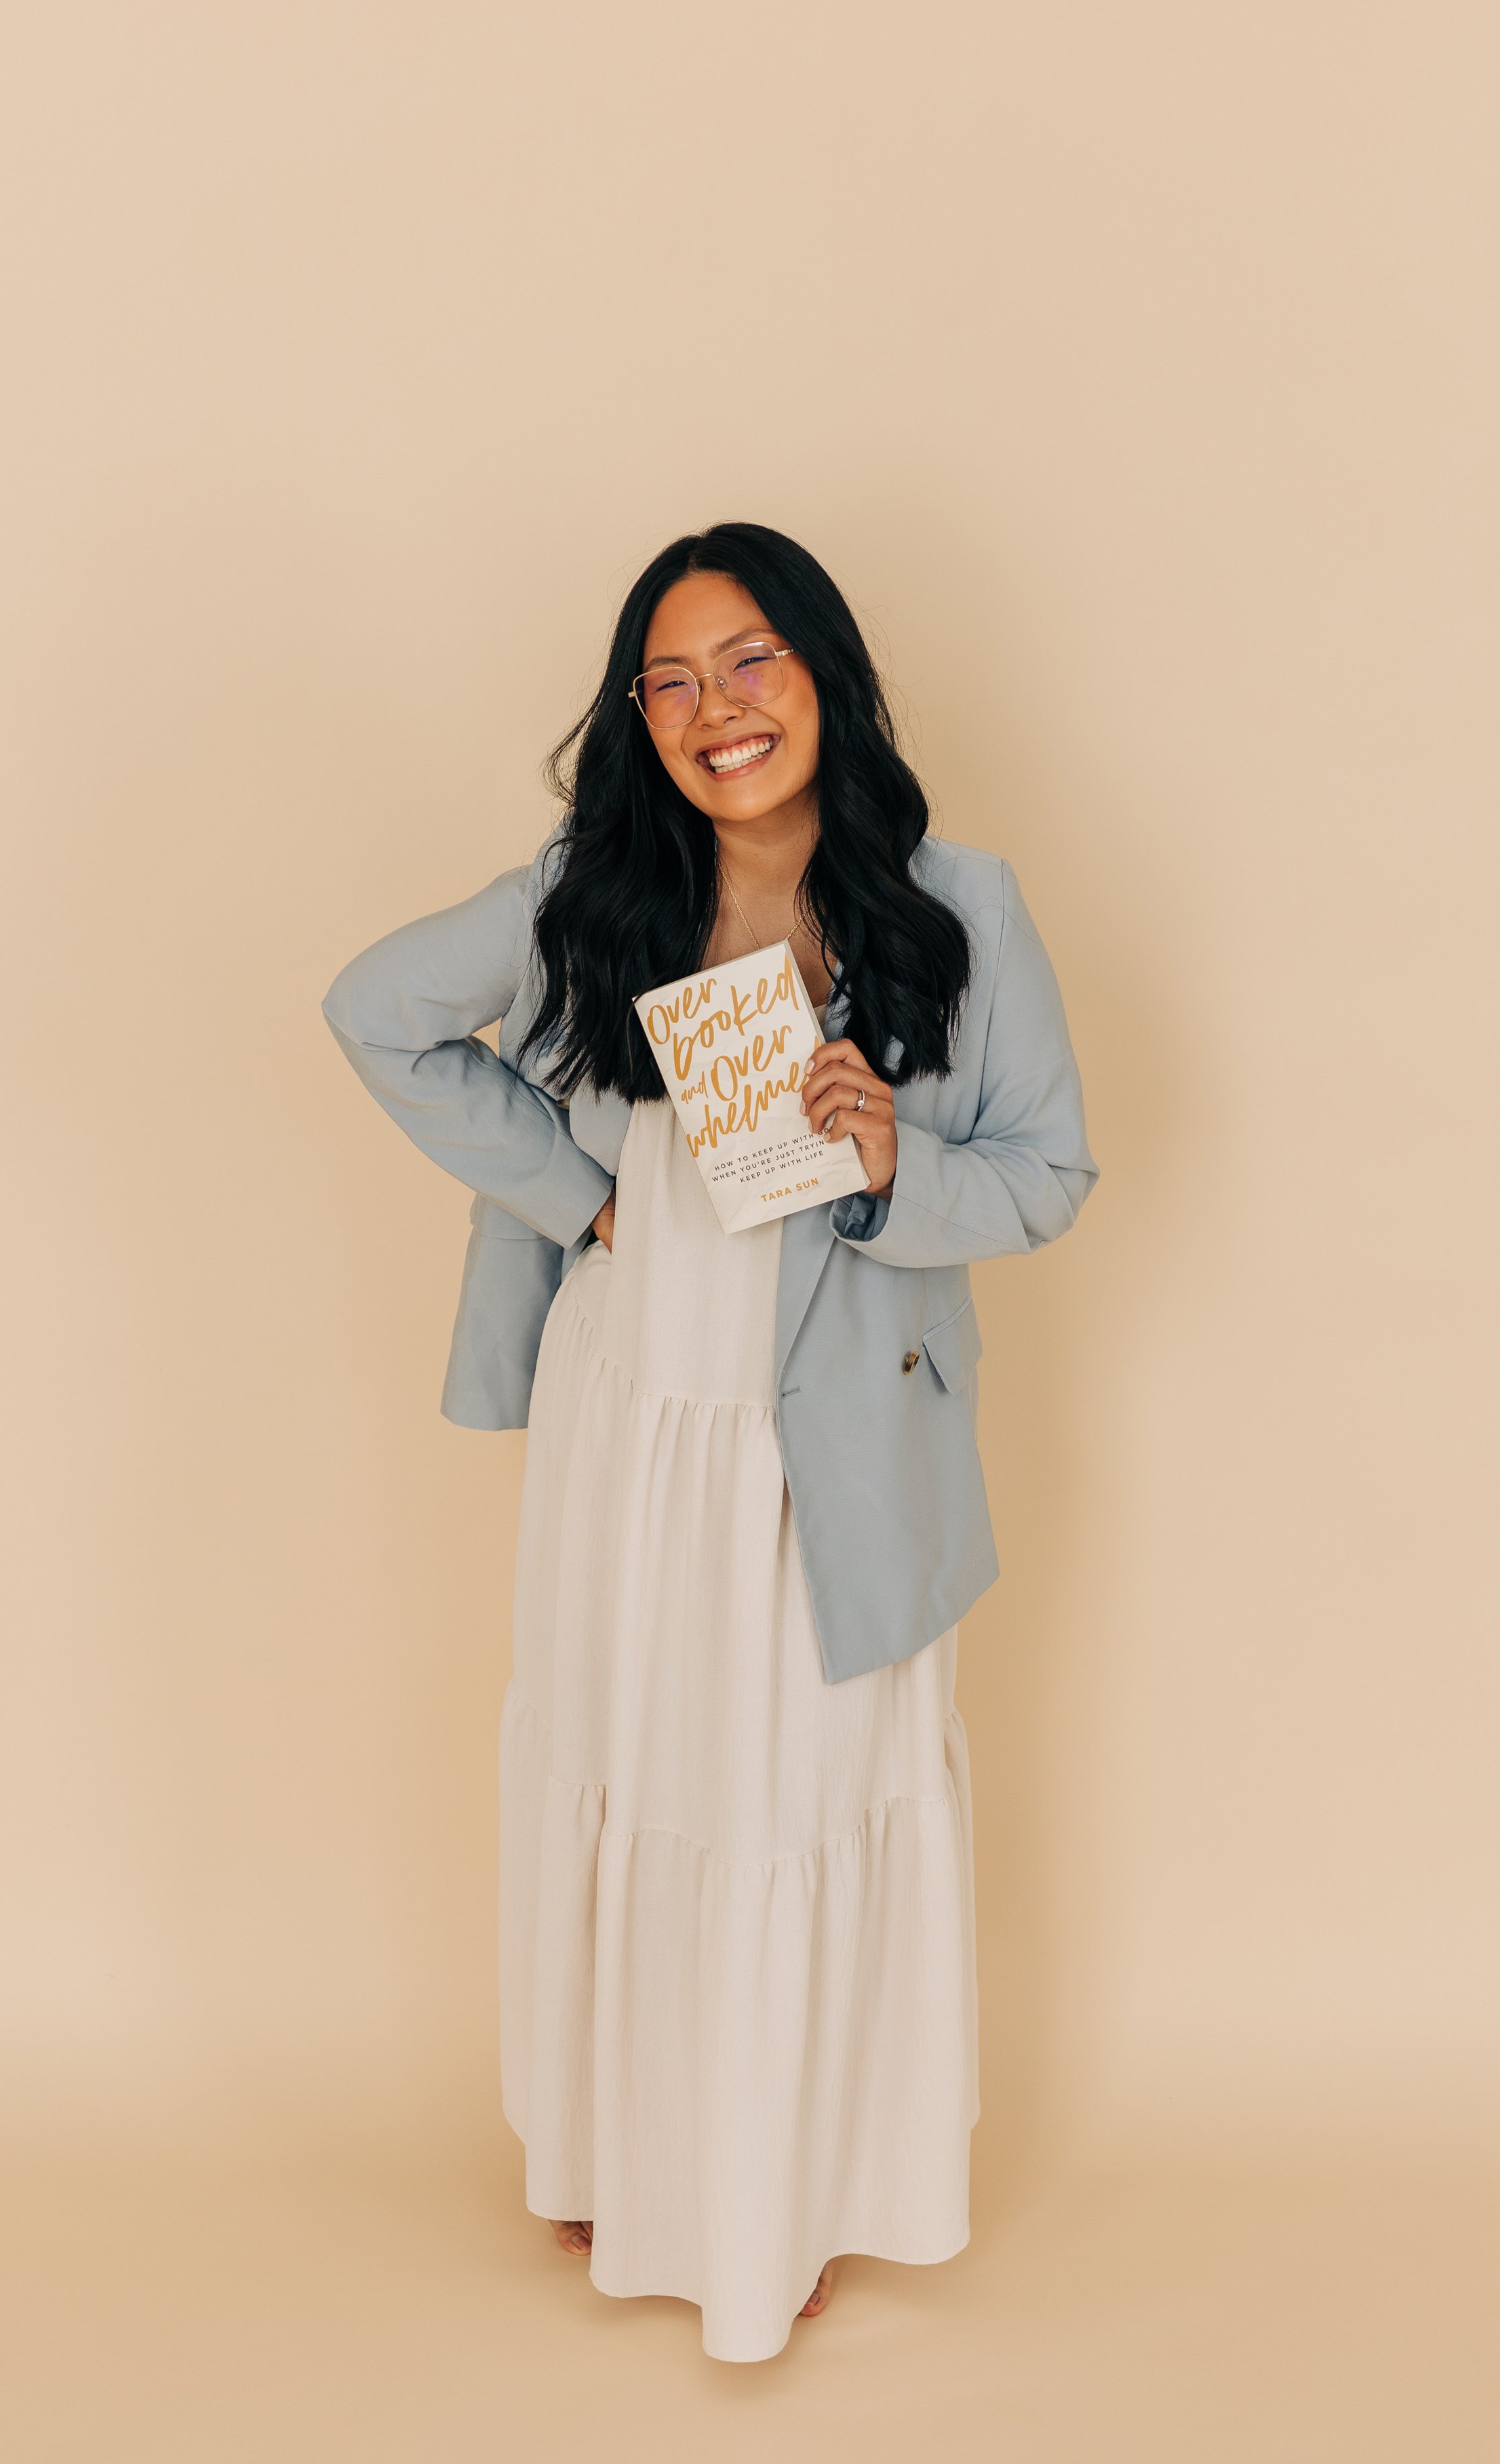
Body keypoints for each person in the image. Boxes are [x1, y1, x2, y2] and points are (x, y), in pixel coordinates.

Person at [322, 521, 1097, 2362]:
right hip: (633, 1428)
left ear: (823, 673)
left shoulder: (959, 908)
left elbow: (1049, 1174)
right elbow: (376, 1014)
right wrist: (580, 1194)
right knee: (633, 1771)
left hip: (833, 1446)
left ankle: (775, 2199)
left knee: (794, 1805)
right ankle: (624, 2150)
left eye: (748, 659)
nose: (712, 709)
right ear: (635, 720)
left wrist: (896, 1160)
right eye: (665, 682)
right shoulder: (593, 895)